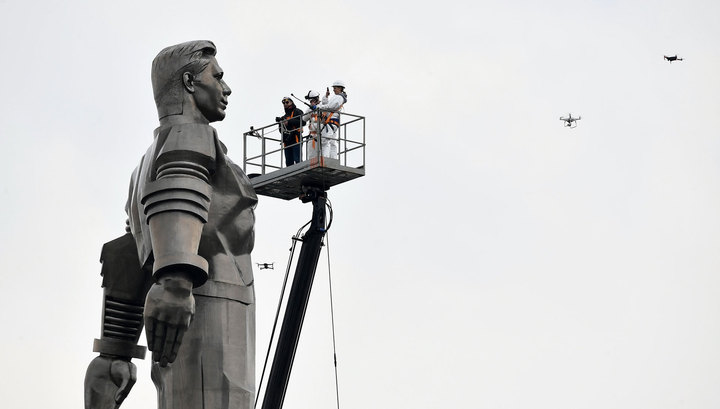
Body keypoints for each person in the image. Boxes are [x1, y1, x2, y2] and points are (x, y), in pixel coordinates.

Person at [84, 40, 257, 409]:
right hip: (210, 309)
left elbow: (127, 251)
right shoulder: (191, 134)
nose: (226, 88)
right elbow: (182, 186)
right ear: (190, 82)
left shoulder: (143, 166)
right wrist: (177, 283)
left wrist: (115, 352)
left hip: (177, 320)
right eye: (218, 77)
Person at [275, 97, 304, 166]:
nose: (285, 104)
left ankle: (300, 172)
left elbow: (303, 122)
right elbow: (280, 130)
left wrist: (289, 122)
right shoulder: (284, 116)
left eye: (287, 102)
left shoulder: (297, 111)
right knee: (288, 162)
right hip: (287, 140)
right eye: (284, 103)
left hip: (295, 138)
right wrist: (281, 123)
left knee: (298, 160)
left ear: (291, 102)